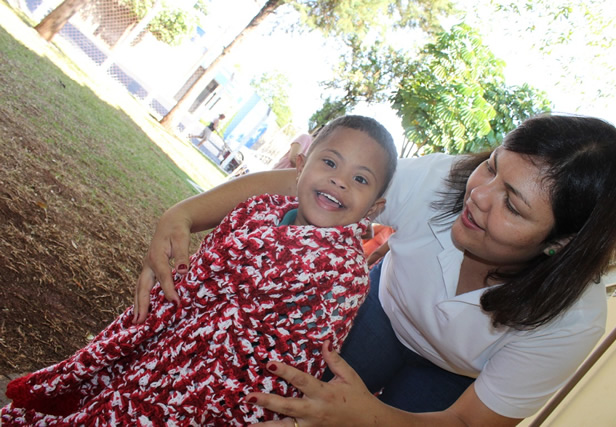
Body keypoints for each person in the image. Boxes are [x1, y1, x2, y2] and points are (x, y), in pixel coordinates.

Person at [129, 114, 616, 426]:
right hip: (382, 308)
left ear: (560, 243)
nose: (479, 196)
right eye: (492, 166)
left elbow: (467, 422)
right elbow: (301, 185)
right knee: (286, 404)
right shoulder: (439, 181)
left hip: (453, 377)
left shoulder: (570, 321)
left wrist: (365, 417)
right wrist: (183, 215)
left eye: (513, 204)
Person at [1, 115, 398, 426]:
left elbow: (299, 356)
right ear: (299, 166)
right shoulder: (262, 207)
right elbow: (206, 263)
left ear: (374, 208)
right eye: (329, 162)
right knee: (104, 398)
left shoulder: (345, 273)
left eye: (360, 179)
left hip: (216, 390)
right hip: (168, 338)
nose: (339, 180)